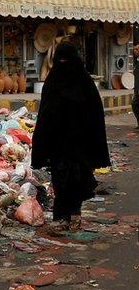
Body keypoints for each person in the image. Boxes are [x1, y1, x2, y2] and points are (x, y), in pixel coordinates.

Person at [31, 41, 110, 232]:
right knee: (60, 181)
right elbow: (45, 116)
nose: (64, 64)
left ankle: (73, 215)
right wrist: (43, 145)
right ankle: (61, 218)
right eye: (61, 60)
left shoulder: (82, 82)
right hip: (59, 144)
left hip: (80, 144)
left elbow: (95, 115)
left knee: (77, 180)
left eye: (67, 60)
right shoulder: (57, 81)